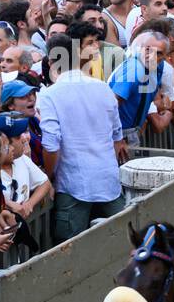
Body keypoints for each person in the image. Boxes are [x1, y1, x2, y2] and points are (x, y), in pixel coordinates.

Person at [36, 34, 127, 243]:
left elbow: (51, 146)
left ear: (51, 62)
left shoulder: (50, 95)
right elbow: (117, 137)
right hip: (107, 180)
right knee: (120, 245)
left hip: (73, 185)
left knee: (70, 253)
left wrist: (48, 175)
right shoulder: (103, 88)